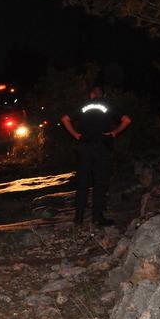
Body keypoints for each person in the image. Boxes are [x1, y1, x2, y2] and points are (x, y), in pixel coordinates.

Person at [60, 85, 131, 226]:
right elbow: (127, 120)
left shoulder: (83, 105)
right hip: (102, 146)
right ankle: (97, 217)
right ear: (102, 95)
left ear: (91, 95)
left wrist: (75, 134)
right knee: (100, 182)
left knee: (82, 183)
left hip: (84, 146)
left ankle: (78, 219)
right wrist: (115, 132)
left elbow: (65, 119)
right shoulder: (108, 105)